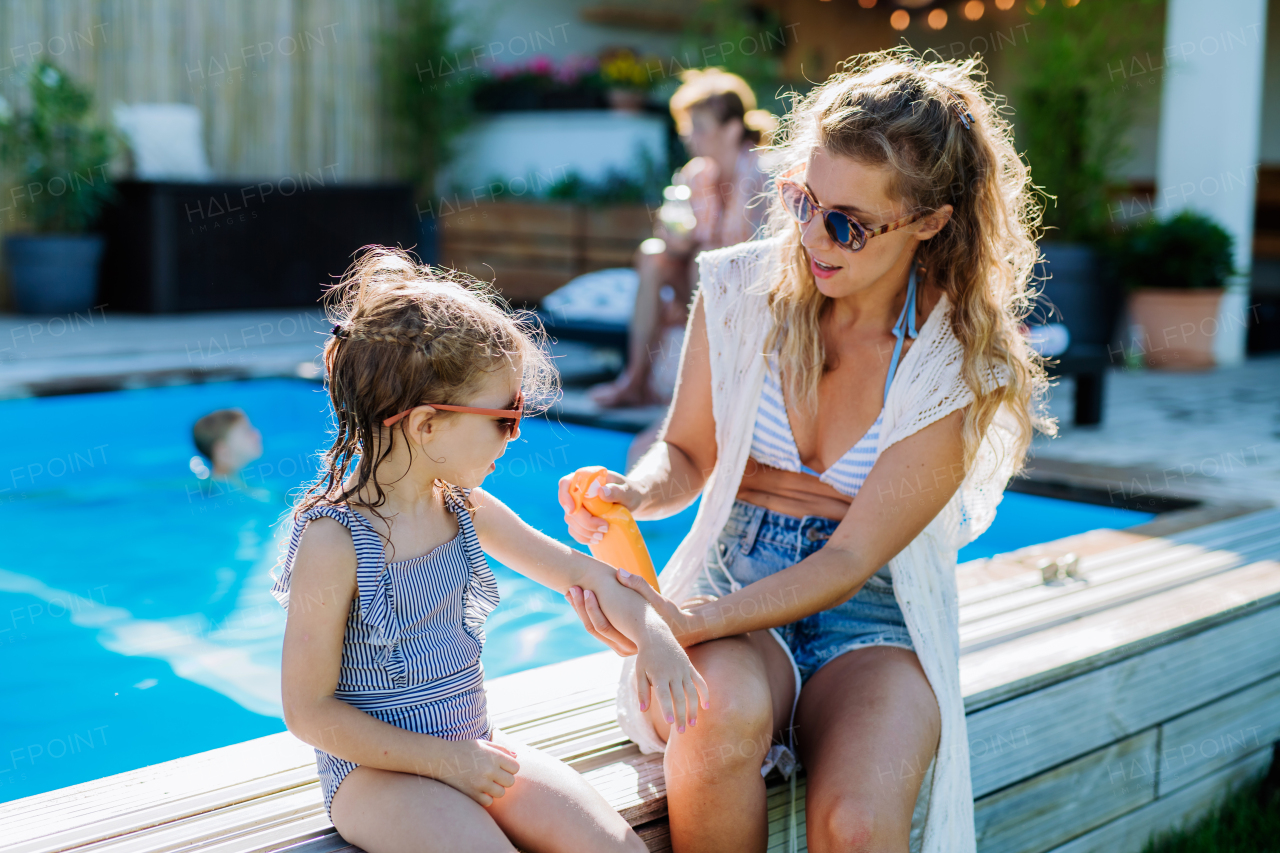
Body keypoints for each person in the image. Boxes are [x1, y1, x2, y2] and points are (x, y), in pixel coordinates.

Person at [558, 48, 1054, 853]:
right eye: (801, 199)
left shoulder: (956, 359)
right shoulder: (737, 290)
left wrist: (689, 621)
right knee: (712, 721)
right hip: (734, 572)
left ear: (930, 221)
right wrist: (635, 489)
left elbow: (853, 555)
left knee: (855, 827)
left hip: (872, 612)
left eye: (848, 223)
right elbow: (686, 453)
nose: (813, 237)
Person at [269, 248, 708, 853]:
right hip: (378, 775)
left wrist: (655, 639)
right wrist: (447, 762)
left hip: (475, 746)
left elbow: (585, 574)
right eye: (503, 417)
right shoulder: (335, 540)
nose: (516, 433)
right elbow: (309, 711)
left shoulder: (464, 509)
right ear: (426, 425)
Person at [588, 67, 774, 411]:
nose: (689, 136)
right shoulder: (695, 174)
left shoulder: (763, 173)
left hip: (752, 284)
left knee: (705, 257)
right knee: (652, 255)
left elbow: (761, 247)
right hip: (700, 279)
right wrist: (673, 239)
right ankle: (635, 379)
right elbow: (678, 238)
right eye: (688, 126)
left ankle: (706, 378)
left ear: (732, 129)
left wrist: (697, 249)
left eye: (699, 127)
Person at [190, 408, 268, 499]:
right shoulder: (230, 493)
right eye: (246, 431)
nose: (257, 434)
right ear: (224, 452)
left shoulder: (232, 487)